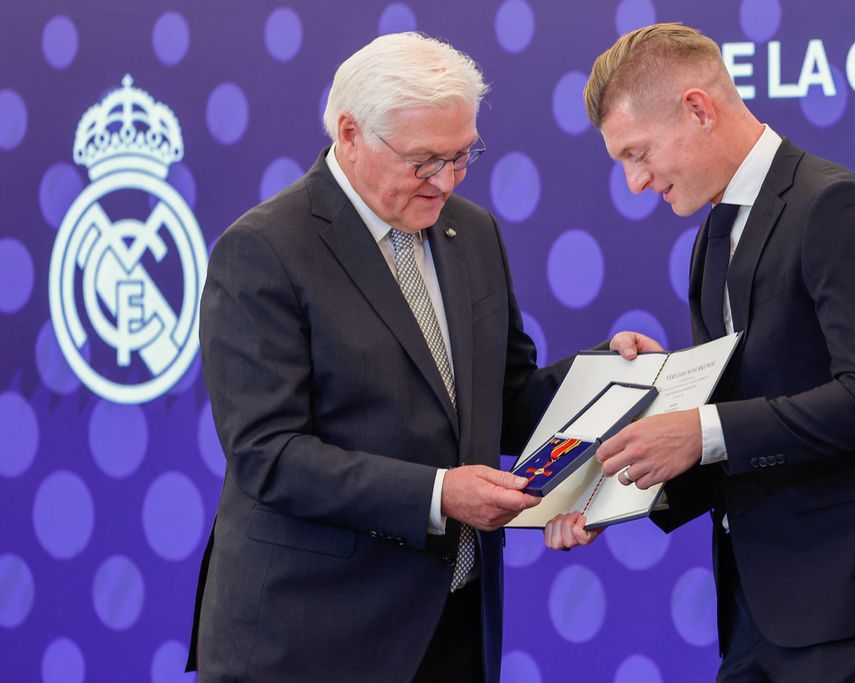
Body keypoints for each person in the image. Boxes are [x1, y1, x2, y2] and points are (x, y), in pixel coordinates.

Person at [544, 23, 855, 682]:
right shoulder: (715, 233)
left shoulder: (834, 207)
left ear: (698, 109)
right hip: (759, 616)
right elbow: (739, 425)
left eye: (639, 152)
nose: (635, 183)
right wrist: (611, 496)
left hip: (853, 606)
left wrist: (700, 428)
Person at [186, 32, 574, 682]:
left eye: (463, 156)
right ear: (350, 134)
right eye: (425, 161)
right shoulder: (263, 251)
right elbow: (268, 454)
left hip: (453, 625)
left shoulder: (471, 231)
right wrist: (440, 493)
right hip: (312, 638)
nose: (446, 182)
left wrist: (609, 375)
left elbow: (502, 399)